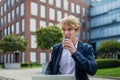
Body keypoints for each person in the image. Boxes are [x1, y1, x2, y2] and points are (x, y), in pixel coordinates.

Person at [45, 15, 97, 80]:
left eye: (69, 29)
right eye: (63, 30)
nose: (66, 33)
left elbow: (92, 70)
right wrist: (47, 77)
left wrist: (74, 52)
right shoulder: (56, 48)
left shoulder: (87, 48)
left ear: (77, 31)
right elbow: (50, 68)